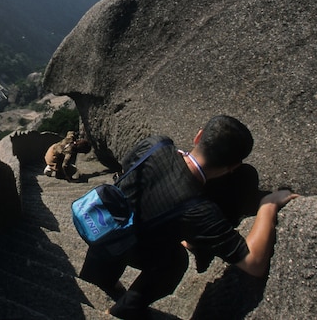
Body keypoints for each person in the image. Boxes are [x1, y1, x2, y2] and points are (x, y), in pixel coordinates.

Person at [77, 115, 298, 320]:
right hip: (140, 247)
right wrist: (267, 206)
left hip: (104, 227)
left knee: (113, 241)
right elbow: (254, 263)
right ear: (233, 167)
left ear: (199, 135)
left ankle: (96, 283)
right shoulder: (199, 211)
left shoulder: (156, 144)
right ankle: (122, 311)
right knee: (176, 260)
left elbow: (127, 166)